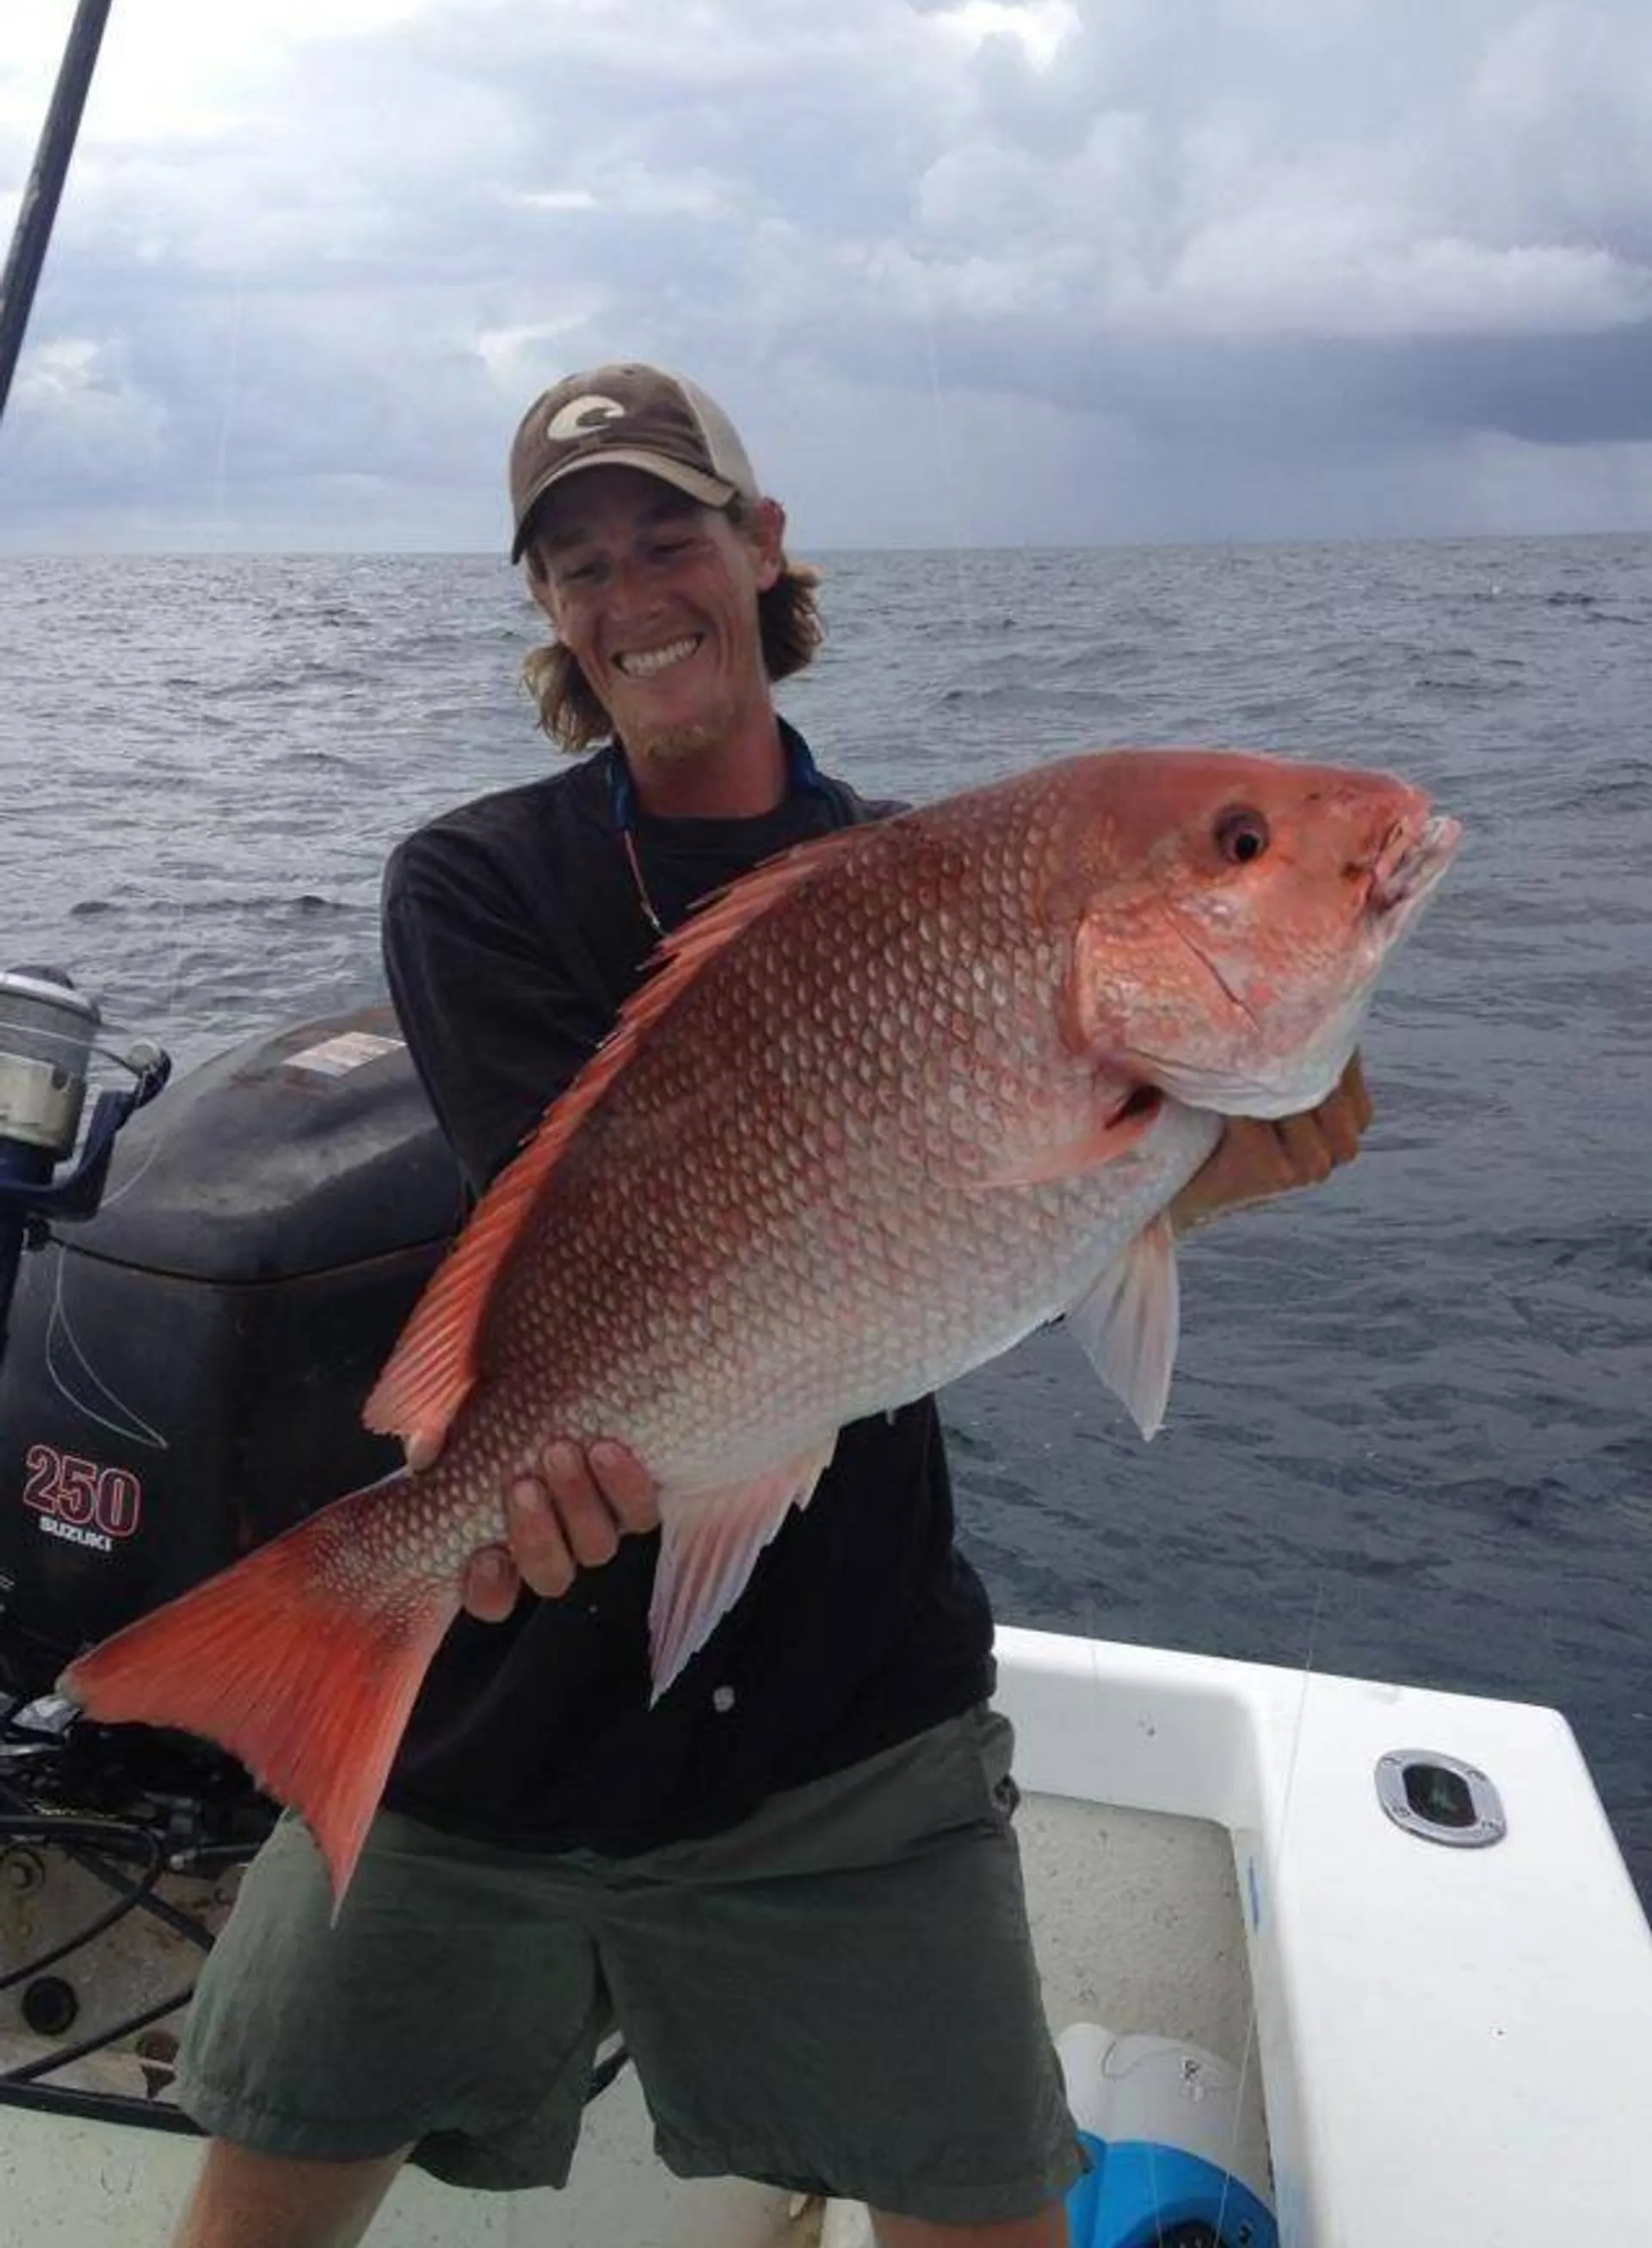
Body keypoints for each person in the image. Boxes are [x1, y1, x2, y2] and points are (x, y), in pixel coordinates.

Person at [167, 361, 1372, 2248]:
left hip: (844, 1739)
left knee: (989, 2212)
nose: (634, 592)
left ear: (762, 549)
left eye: (671, 535)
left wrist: (1197, 1166)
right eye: (580, 565)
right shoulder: (474, 883)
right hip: (483, 1733)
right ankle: (332, 1650)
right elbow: (608, 1238)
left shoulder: (931, 883)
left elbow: (949, 1239)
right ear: (548, 614)